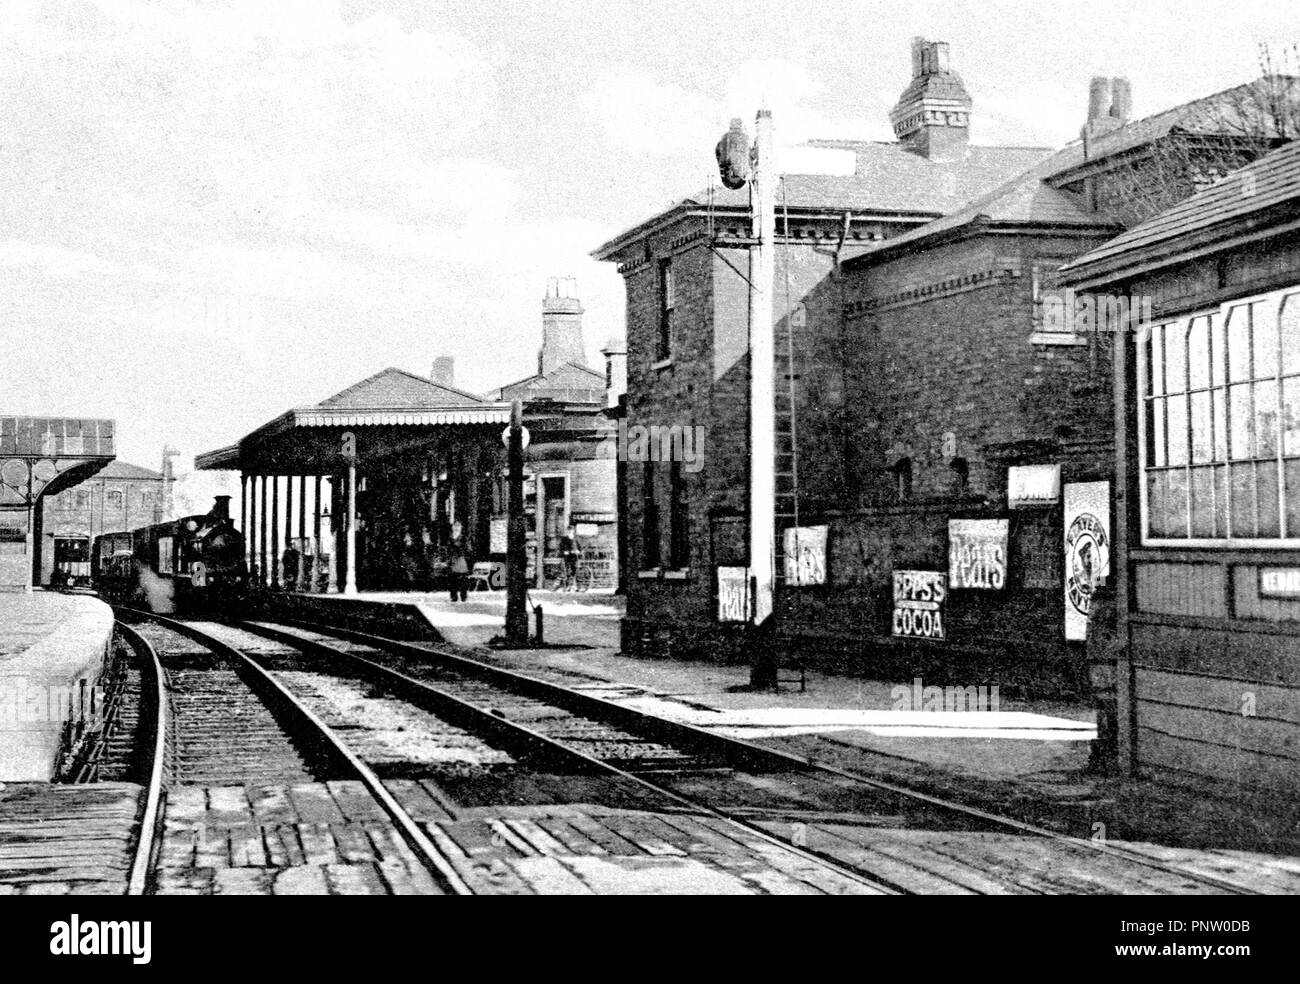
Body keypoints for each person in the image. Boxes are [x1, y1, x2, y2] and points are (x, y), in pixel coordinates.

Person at [559, 524, 583, 592]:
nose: (570, 531)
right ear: (567, 531)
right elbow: (561, 548)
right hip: (567, 557)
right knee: (568, 572)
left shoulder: (576, 539)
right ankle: (567, 586)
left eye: (571, 530)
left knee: (575, 571)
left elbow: (580, 547)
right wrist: (564, 552)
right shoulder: (564, 539)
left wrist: (579, 551)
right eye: (569, 530)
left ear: (573, 531)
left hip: (575, 557)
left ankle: (575, 586)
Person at [448, 536, 469, 602]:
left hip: (456, 568)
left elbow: (453, 559)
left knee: (453, 583)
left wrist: (449, 563)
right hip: (463, 568)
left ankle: (454, 597)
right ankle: (463, 597)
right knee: (462, 584)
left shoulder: (454, 548)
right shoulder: (463, 548)